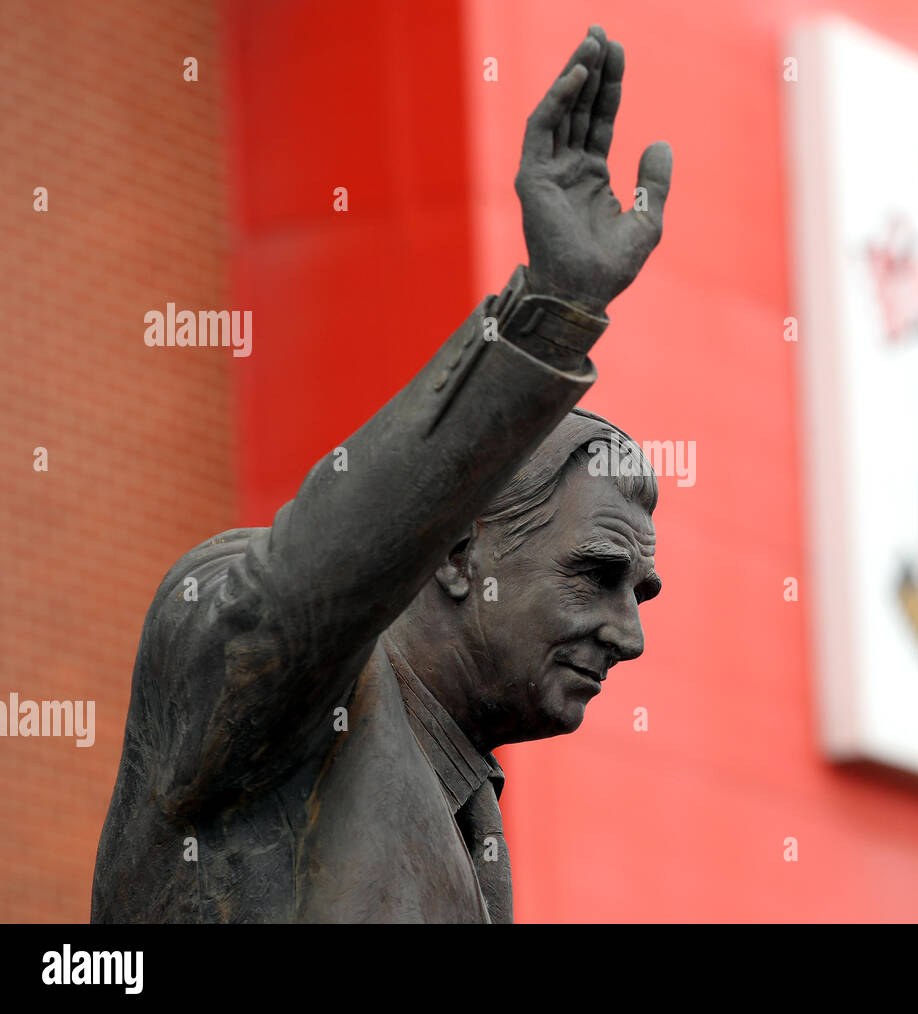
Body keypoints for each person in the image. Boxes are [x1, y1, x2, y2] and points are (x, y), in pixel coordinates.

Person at [92, 24, 671, 923]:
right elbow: (302, 591)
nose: (627, 637)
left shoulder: (474, 822)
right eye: (595, 574)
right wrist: (550, 317)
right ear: (453, 550)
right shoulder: (264, 677)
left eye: (640, 590)